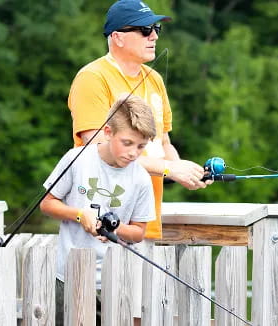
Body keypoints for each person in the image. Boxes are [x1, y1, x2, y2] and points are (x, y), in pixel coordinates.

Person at [67, 1, 212, 321]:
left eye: (156, 29)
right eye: (145, 30)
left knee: (139, 315)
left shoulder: (155, 79)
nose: (154, 37)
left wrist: (185, 170)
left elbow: (163, 143)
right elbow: (97, 143)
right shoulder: (93, 78)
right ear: (117, 37)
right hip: (105, 223)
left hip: (144, 221)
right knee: (102, 314)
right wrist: (168, 168)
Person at [40, 94, 157, 325]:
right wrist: (79, 214)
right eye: (127, 143)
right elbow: (47, 203)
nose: (134, 153)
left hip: (115, 280)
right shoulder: (77, 159)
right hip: (68, 275)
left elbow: (139, 232)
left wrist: (114, 228)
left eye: (141, 146)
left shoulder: (141, 179)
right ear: (107, 132)